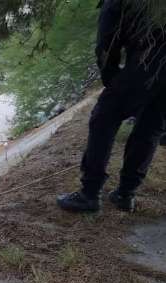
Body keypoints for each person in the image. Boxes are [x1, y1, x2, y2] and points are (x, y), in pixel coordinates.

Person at [58, 0, 166, 213]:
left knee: (103, 119)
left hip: (147, 64)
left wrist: (111, 79)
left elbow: (107, 43)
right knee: (151, 127)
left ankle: (89, 193)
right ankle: (126, 194)